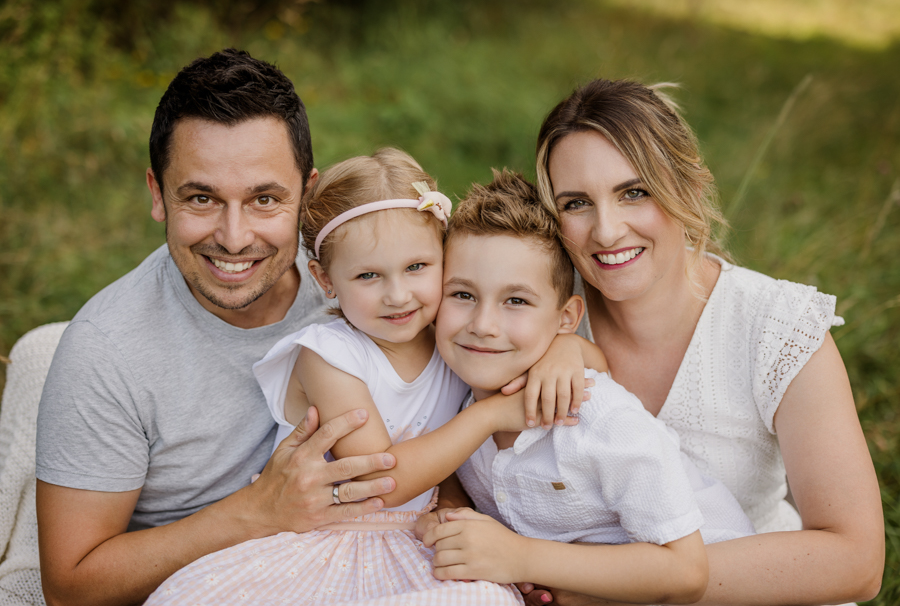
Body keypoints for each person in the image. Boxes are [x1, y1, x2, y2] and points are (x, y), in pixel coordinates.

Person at [144, 150, 603, 605]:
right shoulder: (327, 355)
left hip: (417, 538)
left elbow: (594, 365)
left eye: (417, 267)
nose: (398, 295)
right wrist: (488, 416)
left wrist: (565, 349)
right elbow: (384, 480)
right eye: (368, 275)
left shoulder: (453, 338)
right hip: (325, 540)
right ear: (326, 281)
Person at [34, 49, 399, 606]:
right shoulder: (105, 352)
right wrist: (256, 513)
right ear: (158, 193)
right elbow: (69, 587)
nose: (233, 237)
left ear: (307, 193)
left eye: (265, 199)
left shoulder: (361, 281)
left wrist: (563, 356)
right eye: (201, 198)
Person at [523, 78, 884, 605]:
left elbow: (856, 559)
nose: (606, 230)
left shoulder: (775, 327)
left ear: (688, 186)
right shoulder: (538, 318)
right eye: (577, 203)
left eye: (634, 192)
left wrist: (612, 589)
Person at [416, 170, 754, 604]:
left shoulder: (598, 420)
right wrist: (449, 513)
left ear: (566, 320)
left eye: (516, 301)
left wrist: (521, 557)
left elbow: (685, 572)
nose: (482, 325)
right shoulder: (453, 398)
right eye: (462, 295)